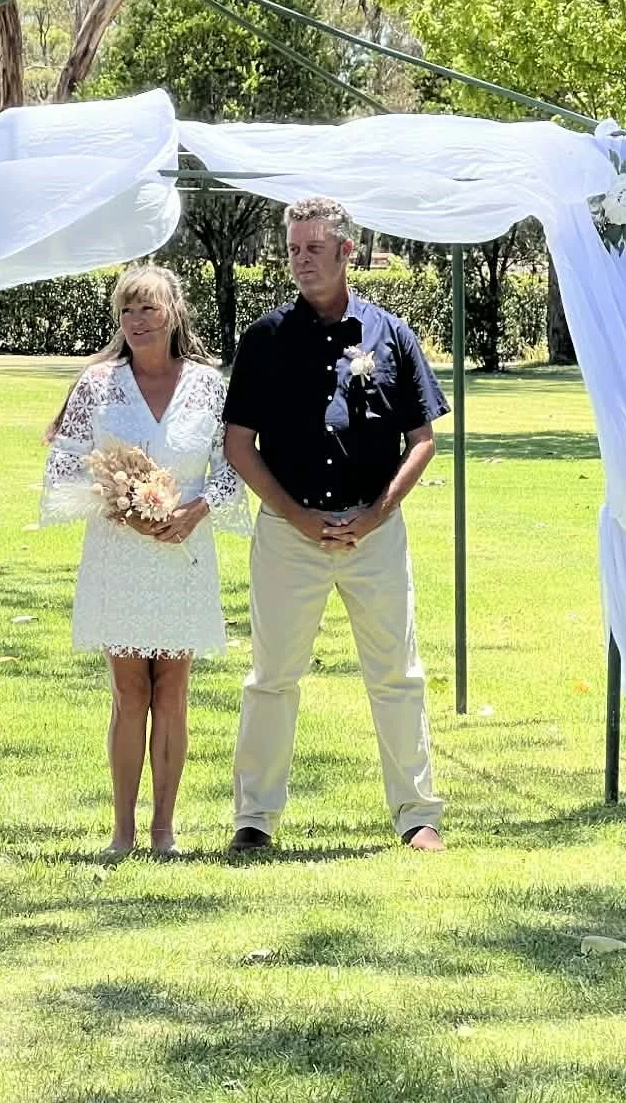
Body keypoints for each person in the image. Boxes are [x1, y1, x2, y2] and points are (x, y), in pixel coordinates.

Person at [222, 197, 449, 855]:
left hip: (374, 535)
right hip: (288, 537)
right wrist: (297, 518)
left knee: (397, 675)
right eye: (293, 249)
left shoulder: (392, 335)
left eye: (314, 248)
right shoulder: (265, 340)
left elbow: (422, 439)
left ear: (348, 252)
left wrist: (376, 516)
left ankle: (416, 816)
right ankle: (254, 820)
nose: (301, 261)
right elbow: (240, 446)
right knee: (272, 677)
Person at [41, 266, 247, 857]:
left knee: (173, 686)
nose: (136, 322)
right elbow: (69, 462)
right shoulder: (98, 383)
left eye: (148, 310)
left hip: (184, 551)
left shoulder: (209, 385)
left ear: (173, 313)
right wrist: (124, 510)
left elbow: (233, 462)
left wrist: (197, 509)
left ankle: (165, 830)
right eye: (127, 312)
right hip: (120, 547)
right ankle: (123, 830)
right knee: (129, 689)